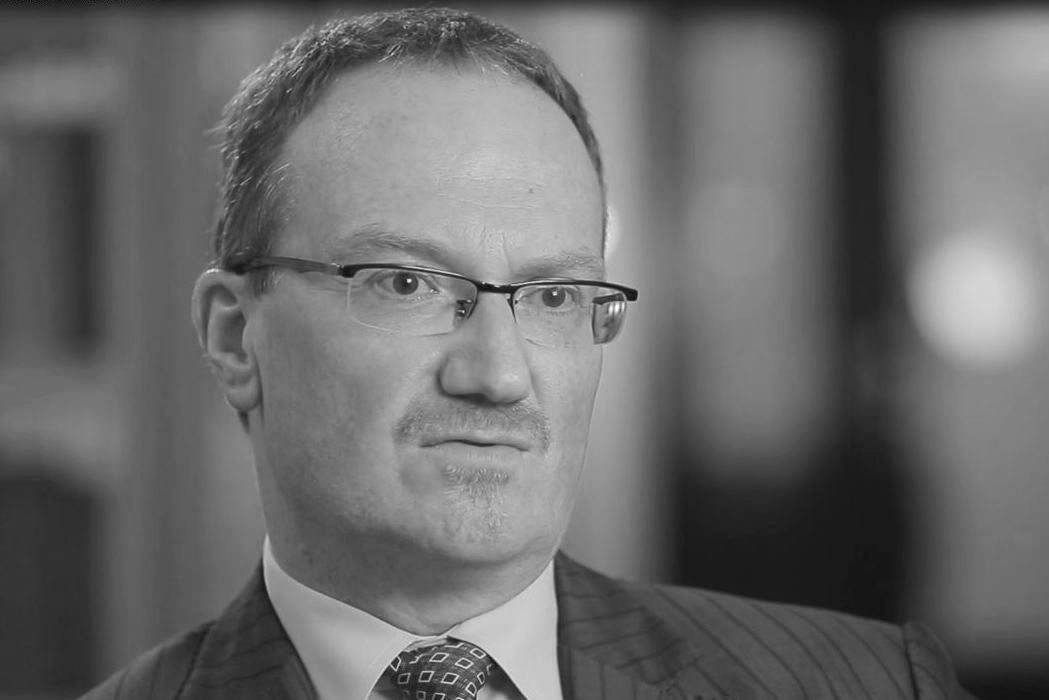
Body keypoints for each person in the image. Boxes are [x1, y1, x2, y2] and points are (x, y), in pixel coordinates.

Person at [81, 7, 976, 700]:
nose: (500, 376)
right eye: (406, 284)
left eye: (552, 296)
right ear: (234, 337)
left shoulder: (869, 684)